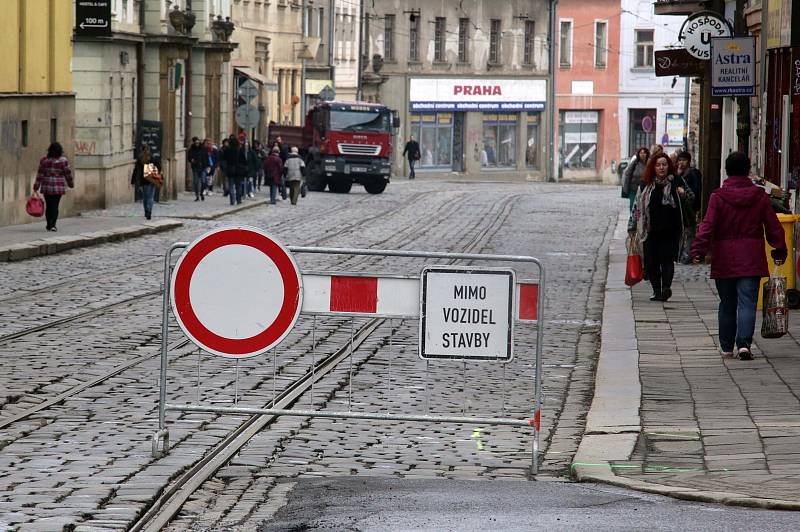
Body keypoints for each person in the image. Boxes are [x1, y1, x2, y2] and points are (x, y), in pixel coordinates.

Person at [690, 152, 787, 360]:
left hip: (725, 258)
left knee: (727, 303)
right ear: (747, 170)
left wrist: (697, 249)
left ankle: (726, 347)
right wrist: (780, 248)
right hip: (750, 257)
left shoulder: (718, 197)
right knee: (747, 301)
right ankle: (744, 344)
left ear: (727, 171)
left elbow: (707, 226)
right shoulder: (759, 196)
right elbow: (773, 226)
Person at [629, 152, 691, 302]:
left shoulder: (676, 181)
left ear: (668, 166)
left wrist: (683, 194)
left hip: (671, 229)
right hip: (650, 230)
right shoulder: (646, 184)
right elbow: (637, 206)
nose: (661, 168)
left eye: (664, 164)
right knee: (652, 262)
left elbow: (691, 197)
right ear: (653, 167)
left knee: (667, 259)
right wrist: (632, 226)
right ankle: (656, 290)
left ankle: (666, 288)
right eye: (658, 165)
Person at [34, 142, 73, 231]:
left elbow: (40, 174)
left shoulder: (44, 161)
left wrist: (36, 185)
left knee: (48, 205)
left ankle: (48, 224)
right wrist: (70, 183)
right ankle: (53, 225)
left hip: (47, 186)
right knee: (55, 205)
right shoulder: (63, 161)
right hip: (58, 186)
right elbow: (68, 173)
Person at [675, 151, 703, 264]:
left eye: (684, 160)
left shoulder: (693, 173)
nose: (681, 162)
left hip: (691, 207)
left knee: (690, 231)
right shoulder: (679, 174)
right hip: (682, 207)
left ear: (688, 161)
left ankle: (688, 255)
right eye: (680, 160)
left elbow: (697, 190)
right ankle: (683, 254)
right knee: (683, 231)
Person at [130, 144, 160, 220]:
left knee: (145, 197)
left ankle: (146, 211)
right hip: (152, 180)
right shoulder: (152, 158)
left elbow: (136, 170)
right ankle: (149, 211)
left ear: (142, 150)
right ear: (149, 150)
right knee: (151, 197)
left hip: (143, 180)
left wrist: (133, 181)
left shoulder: (140, 159)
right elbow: (159, 167)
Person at [623, 147, 650, 213]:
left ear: (647, 154)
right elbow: (628, 175)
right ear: (638, 154)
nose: (643, 154)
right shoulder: (635, 163)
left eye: (644, 153)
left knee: (644, 207)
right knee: (632, 206)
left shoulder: (649, 163)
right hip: (633, 189)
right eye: (641, 153)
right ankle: (632, 220)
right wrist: (626, 189)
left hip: (645, 189)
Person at [223, 137, 247, 205]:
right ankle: (238, 200)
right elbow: (244, 161)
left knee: (231, 185)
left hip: (230, 169)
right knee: (238, 186)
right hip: (238, 170)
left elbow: (224, 159)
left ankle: (232, 200)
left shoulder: (227, 150)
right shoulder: (240, 150)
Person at [188, 136, 206, 201]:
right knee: (196, 182)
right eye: (195, 142)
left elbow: (206, 157)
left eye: (198, 142)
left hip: (203, 167)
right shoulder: (191, 149)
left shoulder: (203, 148)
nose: (197, 143)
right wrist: (191, 160)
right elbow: (189, 157)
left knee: (203, 182)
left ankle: (201, 193)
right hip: (195, 167)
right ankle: (197, 195)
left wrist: (207, 165)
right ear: (193, 142)